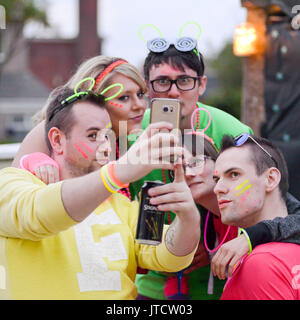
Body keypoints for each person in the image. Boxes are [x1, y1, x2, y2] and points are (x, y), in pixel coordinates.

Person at [0, 87, 200, 300]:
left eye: (108, 135)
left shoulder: (123, 204)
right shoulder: (13, 183)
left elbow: (168, 257)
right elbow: (38, 214)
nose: (106, 147)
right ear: (57, 140)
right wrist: (119, 171)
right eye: (93, 135)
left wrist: (188, 219)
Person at [213, 134, 300, 299]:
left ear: (271, 179)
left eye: (234, 174)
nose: (217, 188)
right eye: (216, 179)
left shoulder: (261, 263)